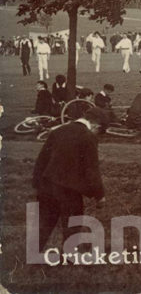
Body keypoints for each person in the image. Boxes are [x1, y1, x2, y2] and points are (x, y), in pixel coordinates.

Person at [32, 106, 106, 252]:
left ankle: (32, 254)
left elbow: (42, 160)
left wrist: (37, 183)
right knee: (73, 223)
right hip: (70, 190)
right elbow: (91, 170)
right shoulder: (88, 137)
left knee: (45, 222)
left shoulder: (58, 130)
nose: (98, 135)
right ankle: (69, 258)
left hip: (47, 185)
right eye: (100, 132)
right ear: (96, 125)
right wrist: (100, 195)